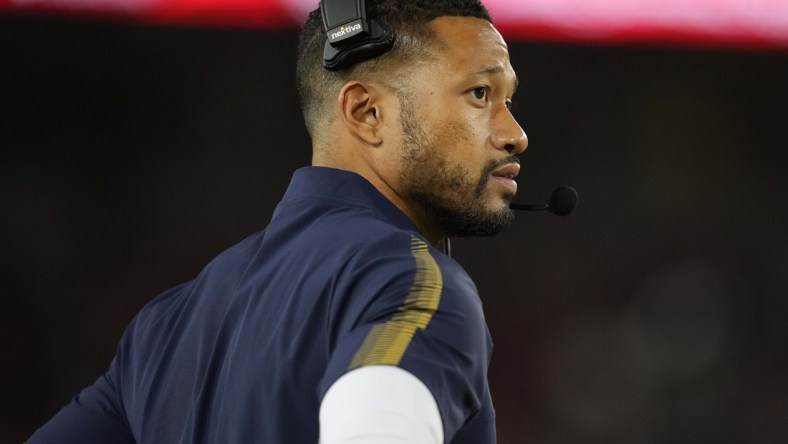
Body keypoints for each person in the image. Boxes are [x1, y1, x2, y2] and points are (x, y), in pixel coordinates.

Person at [28, 0, 527, 442]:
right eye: (480, 93)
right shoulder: (414, 287)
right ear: (366, 111)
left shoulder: (163, 328)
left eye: (508, 100)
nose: (515, 134)